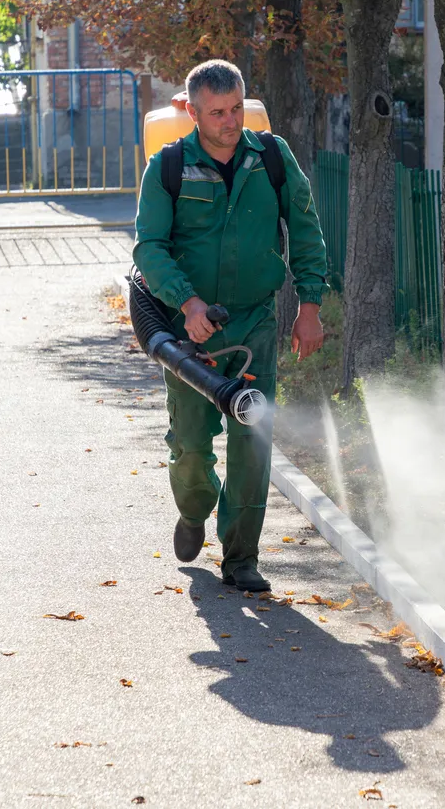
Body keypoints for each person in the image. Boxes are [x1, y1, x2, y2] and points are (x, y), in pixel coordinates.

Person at [132, 59, 329, 592]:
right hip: (189, 331)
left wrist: (309, 306)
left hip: (255, 323)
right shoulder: (169, 167)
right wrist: (188, 304)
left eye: (237, 107)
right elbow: (148, 247)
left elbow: (306, 230)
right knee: (192, 447)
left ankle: (241, 558)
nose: (229, 120)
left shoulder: (271, 157)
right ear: (192, 112)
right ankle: (193, 509)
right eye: (216, 111)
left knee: (251, 441)